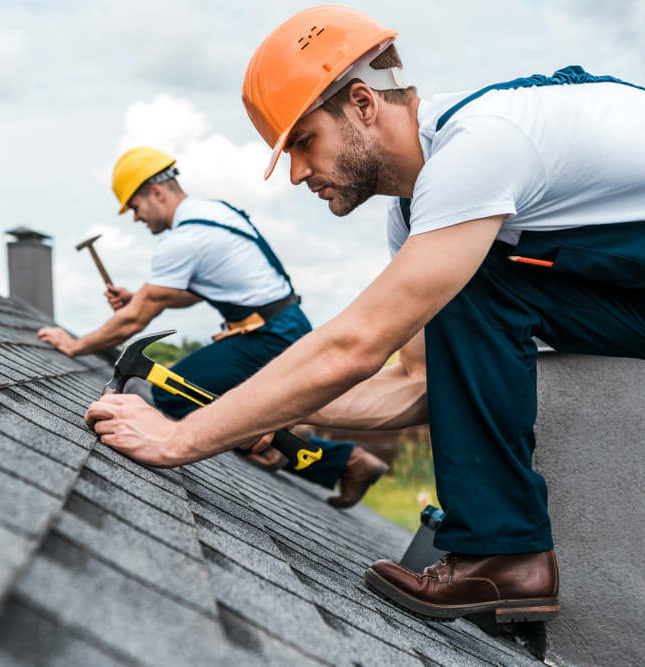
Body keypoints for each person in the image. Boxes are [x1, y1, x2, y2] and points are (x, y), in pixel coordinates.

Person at [85, 5, 645, 622]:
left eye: (303, 142)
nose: (297, 173)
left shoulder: (480, 146)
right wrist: (254, 414)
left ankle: (503, 554)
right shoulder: (417, 216)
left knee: (475, 280)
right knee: (475, 285)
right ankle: (508, 560)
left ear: (362, 103)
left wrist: (180, 436)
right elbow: (419, 382)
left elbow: (356, 346)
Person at [39, 145, 389, 507]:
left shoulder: (185, 238)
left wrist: (74, 344)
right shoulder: (214, 214)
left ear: (156, 192)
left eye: (135, 207)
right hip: (280, 327)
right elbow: (188, 294)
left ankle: (318, 452)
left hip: (267, 336)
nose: (136, 218)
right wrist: (139, 298)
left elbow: (135, 320)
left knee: (168, 394)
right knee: (224, 403)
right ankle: (330, 455)